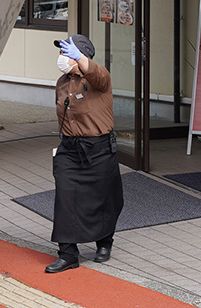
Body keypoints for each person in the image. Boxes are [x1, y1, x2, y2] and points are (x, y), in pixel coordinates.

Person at [44, 34, 124, 274]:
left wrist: (81, 59)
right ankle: (68, 254)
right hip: (70, 149)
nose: (61, 57)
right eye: (61, 52)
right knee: (65, 197)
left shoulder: (99, 79)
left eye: (66, 53)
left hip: (99, 149)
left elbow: (97, 74)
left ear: (81, 56)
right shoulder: (62, 82)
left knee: (103, 197)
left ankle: (104, 243)